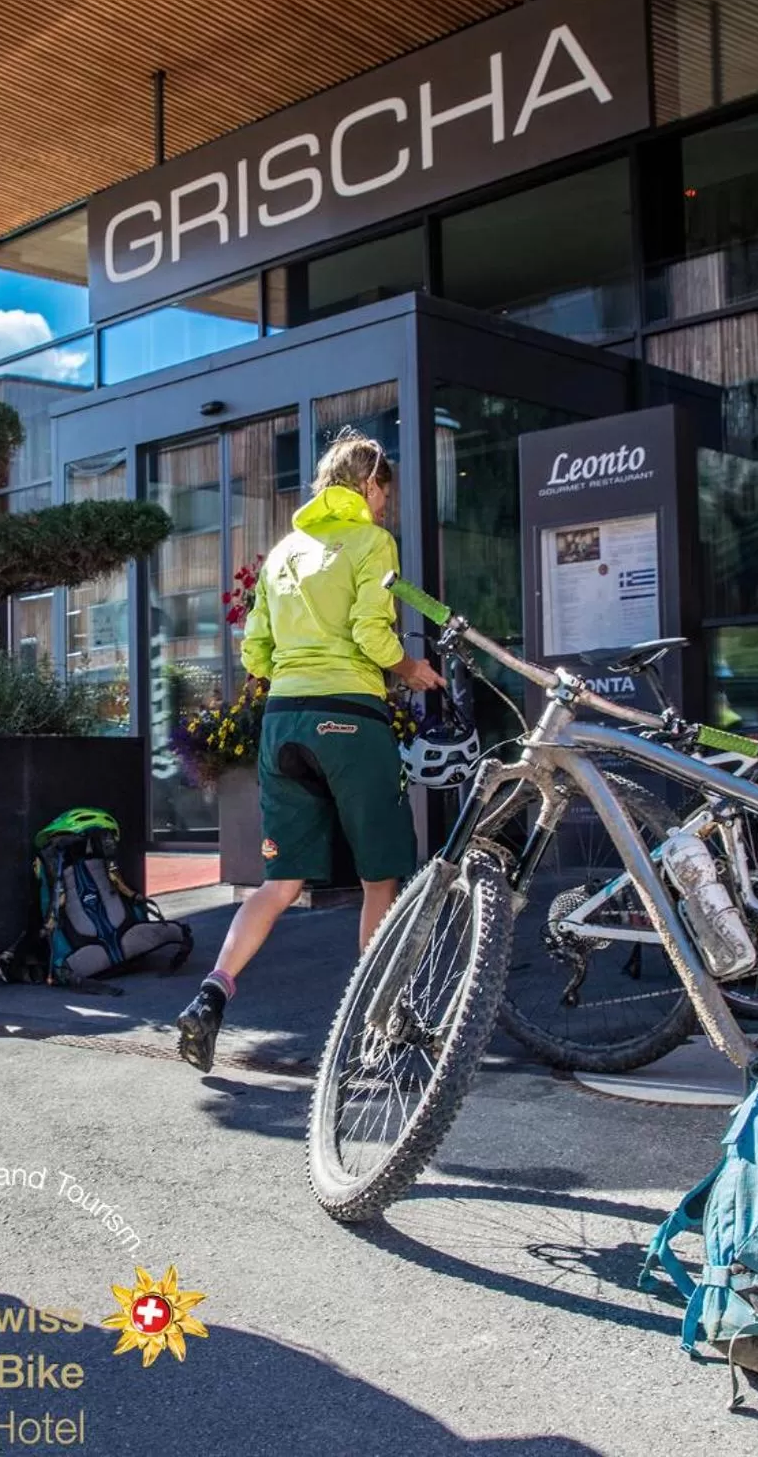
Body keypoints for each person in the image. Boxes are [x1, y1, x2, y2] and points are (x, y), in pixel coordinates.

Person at [175, 432, 444, 1074]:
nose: (387, 507)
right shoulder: (371, 543)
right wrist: (411, 669)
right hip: (349, 716)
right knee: (379, 873)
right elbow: (369, 633)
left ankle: (213, 992)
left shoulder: (284, 552)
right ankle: (378, 1019)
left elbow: (255, 652)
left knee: (279, 881)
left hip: (284, 723)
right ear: (369, 484)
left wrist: (294, 670)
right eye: (386, 493)